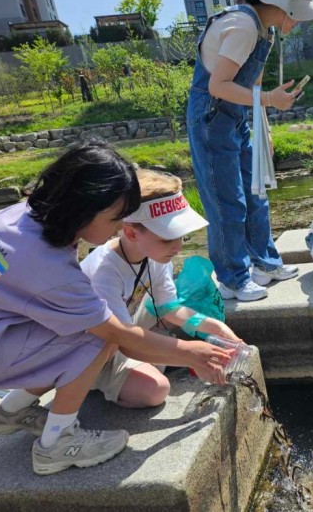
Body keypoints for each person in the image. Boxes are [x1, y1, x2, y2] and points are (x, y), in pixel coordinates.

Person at [0, 142, 229, 476]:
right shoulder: (51, 266)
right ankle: (56, 445)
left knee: (93, 327)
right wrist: (192, 353)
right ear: (84, 206)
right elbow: (116, 334)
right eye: (115, 218)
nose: (119, 227)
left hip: (5, 328)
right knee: (96, 334)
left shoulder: (22, 217)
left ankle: (9, 411)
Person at [186, 0, 313, 302]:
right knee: (227, 202)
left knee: (256, 192)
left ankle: (265, 263)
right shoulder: (243, 25)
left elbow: (254, 83)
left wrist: (264, 128)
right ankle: (233, 280)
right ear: (280, 5)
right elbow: (217, 85)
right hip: (211, 119)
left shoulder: (265, 31)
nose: (299, 20)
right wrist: (270, 100)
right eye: (298, 13)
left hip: (237, 117)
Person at [80, 170, 243, 408]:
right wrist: (190, 355)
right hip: (95, 350)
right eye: (167, 238)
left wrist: (215, 326)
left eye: (181, 237)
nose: (177, 247)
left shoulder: (154, 254)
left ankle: (142, 365)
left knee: (166, 347)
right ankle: (95, 385)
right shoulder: (104, 272)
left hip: (127, 329)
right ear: (131, 232)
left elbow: (169, 308)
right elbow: (121, 339)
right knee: (156, 390)